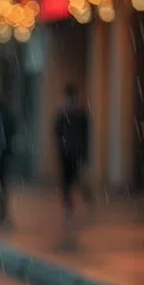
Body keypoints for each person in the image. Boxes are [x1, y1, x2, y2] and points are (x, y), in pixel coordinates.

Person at [54, 84, 93, 215]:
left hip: (69, 149)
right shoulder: (77, 112)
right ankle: (70, 197)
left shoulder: (66, 112)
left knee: (70, 175)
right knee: (70, 175)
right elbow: (85, 133)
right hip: (72, 149)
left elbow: (57, 131)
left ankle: (70, 198)